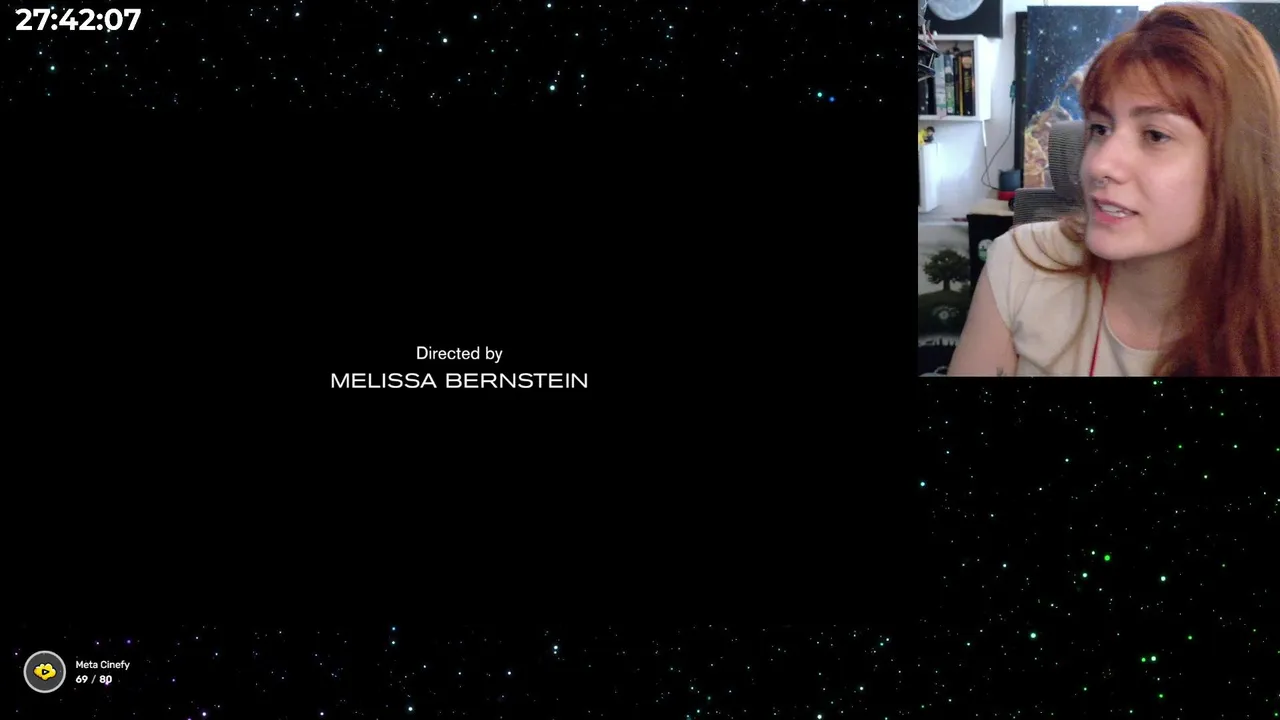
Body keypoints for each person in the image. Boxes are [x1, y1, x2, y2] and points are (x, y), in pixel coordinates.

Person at [949, 3, 1280, 376]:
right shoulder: (1022, 264)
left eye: (1155, 135)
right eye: (1100, 129)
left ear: (1240, 164)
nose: (1099, 164)